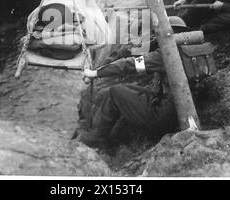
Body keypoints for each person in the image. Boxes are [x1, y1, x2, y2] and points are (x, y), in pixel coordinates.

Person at [78, 16, 194, 148]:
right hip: (178, 109)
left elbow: (129, 65)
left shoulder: (166, 55)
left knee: (115, 92)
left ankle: (98, 137)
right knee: (127, 88)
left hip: (163, 116)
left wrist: (96, 73)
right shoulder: (187, 51)